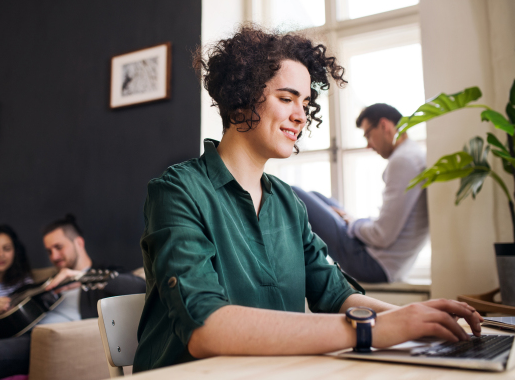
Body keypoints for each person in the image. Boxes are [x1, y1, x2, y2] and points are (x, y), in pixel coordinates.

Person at [132, 24, 481, 373]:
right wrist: (372, 329)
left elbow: (335, 295)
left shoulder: (288, 203)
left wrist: (416, 317)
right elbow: (205, 328)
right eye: (286, 99)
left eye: (305, 102)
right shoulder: (177, 191)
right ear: (239, 100)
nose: (301, 116)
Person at [0, 214, 146, 380]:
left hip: (38, 341)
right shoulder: (47, 284)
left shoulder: (103, 275)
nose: (54, 256)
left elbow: (141, 286)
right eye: (49, 251)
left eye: (59, 247)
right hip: (4, 333)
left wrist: (81, 276)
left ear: (78, 242)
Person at [292, 103, 428, 283]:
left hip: (373, 264)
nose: (369, 145)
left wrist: (353, 224)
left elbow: (382, 235)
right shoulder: (413, 154)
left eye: (368, 135)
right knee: (316, 196)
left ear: (384, 125)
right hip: (382, 260)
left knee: (295, 194)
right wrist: (352, 221)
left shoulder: (404, 160)